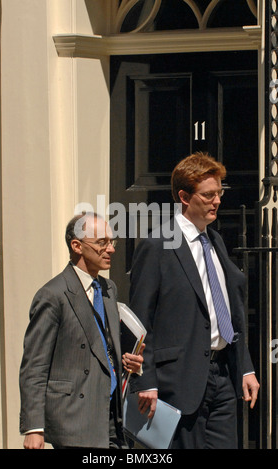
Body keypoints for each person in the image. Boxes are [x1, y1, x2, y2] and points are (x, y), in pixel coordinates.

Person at [129, 152, 259, 449]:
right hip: (178, 381)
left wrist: (245, 368)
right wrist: (145, 380)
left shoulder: (216, 241)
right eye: (209, 195)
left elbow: (229, 310)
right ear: (185, 197)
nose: (217, 201)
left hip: (223, 376)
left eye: (219, 193)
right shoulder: (157, 245)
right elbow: (138, 321)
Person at [19, 212, 144, 449]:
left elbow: (104, 346)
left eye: (111, 242)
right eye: (101, 243)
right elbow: (34, 366)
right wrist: (34, 428)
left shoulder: (109, 288)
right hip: (74, 419)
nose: (111, 249)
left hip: (113, 416)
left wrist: (130, 363)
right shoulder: (53, 295)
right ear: (77, 246)